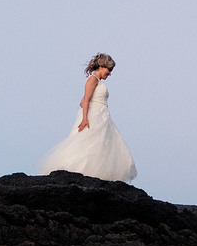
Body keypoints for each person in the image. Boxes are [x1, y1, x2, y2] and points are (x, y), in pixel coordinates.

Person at [38, 53, 136, 182]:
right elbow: (85, 101)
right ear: (102, 66)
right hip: (93, 116)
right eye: (109, 70)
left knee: (100, 144)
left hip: (101, 115)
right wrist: (85, 118)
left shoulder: (97, 81)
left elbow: (82, 101)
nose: (110, 73)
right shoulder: (92, 79)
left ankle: (95, 174)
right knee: (87, 142)